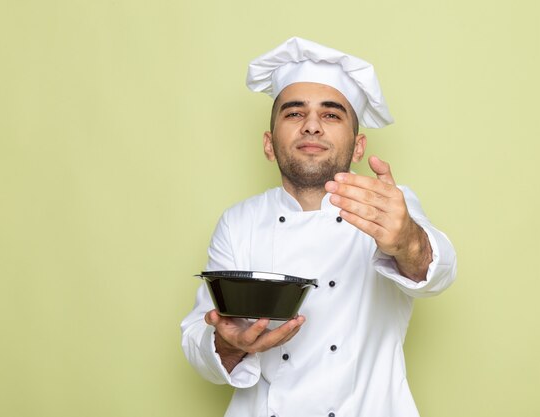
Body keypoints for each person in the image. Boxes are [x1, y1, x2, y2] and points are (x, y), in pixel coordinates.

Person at [181, 37, 457, 417]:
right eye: (294, 114)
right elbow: (199, 342)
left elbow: (438, 274)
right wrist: (230, 345)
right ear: (268, 143)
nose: (311, 126)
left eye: (331, 115)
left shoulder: (387, 207)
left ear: (358, 147)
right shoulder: (239, 221)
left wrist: (408, 241)